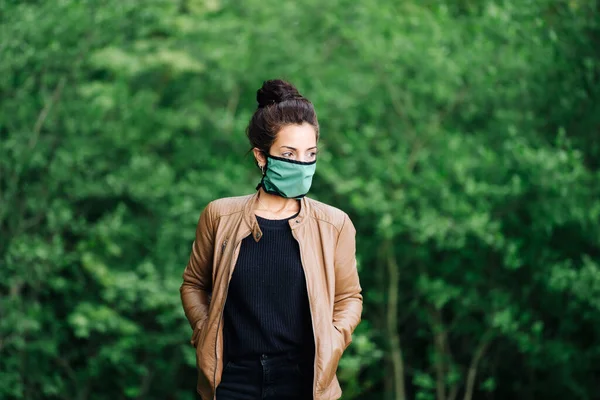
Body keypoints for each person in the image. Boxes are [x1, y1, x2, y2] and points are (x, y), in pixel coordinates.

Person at [180, 79, 362, 400]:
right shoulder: (220, 216)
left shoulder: (334, 224)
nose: (302, 164)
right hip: (233, 379)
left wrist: (334, 339)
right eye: (289, 153)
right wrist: (203, 328)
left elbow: (349, 299)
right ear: (262, 157)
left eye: (311, 154)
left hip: (304, 381)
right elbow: (194, 285)